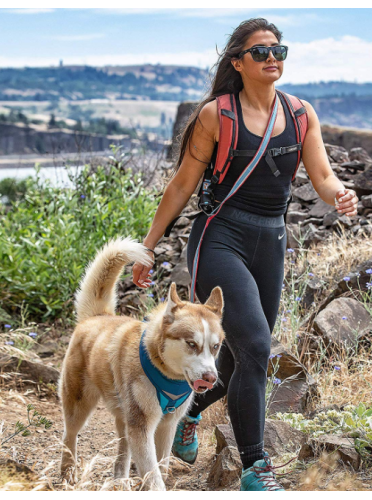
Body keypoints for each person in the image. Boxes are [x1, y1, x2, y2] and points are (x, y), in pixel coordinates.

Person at [132, 17, 358, 491]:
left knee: (239, 358)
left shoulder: (300, 114)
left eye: (279, 50)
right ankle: (256, 468)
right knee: (257, 346)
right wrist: (147, 248)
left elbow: (322, 175)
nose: (272, 58)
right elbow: (180, 188)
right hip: (220, 238)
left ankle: (188, 410)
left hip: (271, 242)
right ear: (238, 61)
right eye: (260, 52)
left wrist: (340, 194)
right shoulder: (218, 115)